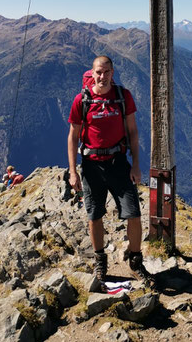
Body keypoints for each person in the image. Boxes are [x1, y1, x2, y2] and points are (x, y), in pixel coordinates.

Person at [67, 55, 150, 291]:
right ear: (92, 74)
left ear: (113, 73)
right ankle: (100, 261)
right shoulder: (82, 100)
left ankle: (135, 261)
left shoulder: (123, 97)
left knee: (133, 213)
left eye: (106, 72)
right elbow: (73, 137)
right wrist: (73, 172)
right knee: (95, 215)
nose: (102, 76)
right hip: (91, 165)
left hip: (118, 163)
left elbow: (133, 132)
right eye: (98, 72)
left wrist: (135, 165)